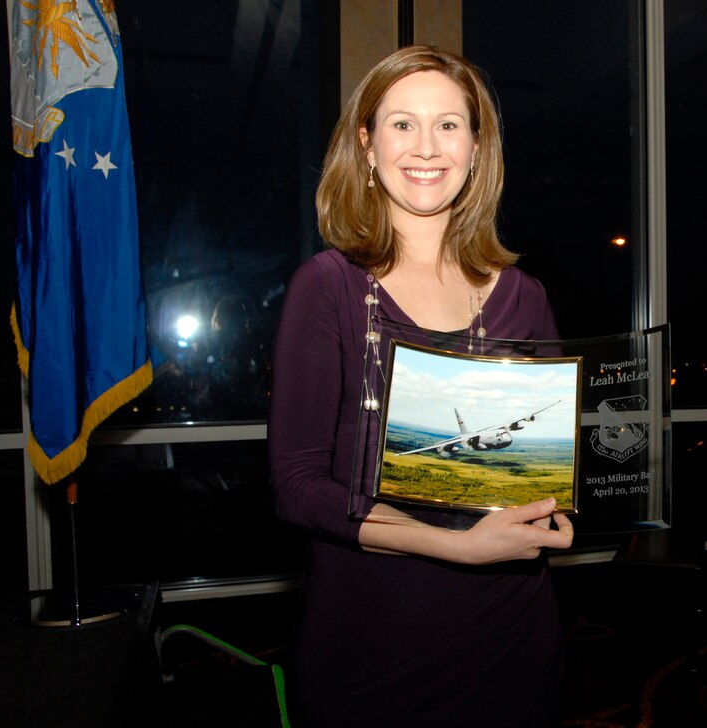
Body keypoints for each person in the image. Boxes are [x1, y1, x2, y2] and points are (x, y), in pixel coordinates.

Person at [268, 45, 575, 727]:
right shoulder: (328, 288)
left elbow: (548, 477)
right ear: (366, 146)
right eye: (402, 123)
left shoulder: (526, 297)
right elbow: (296, 486)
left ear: (475, 147)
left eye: (448, 125)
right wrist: (456, 545)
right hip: (370, 646)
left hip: (512, 636)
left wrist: (575, 500)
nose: (427, 146)